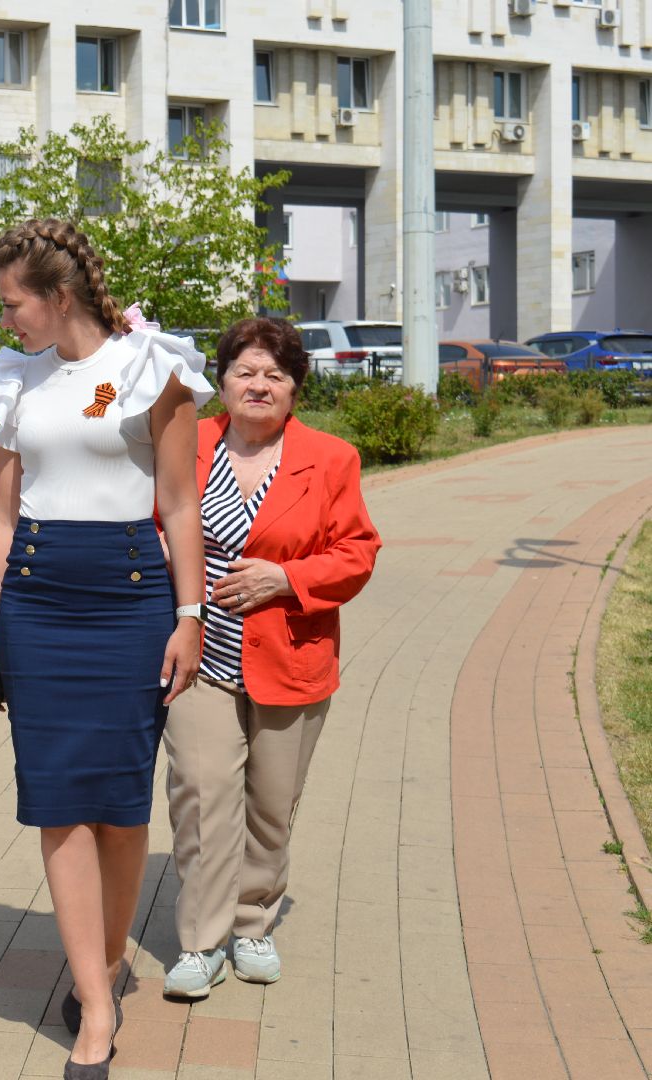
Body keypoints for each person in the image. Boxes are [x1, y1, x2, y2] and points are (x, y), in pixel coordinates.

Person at [0, 219, 212, 1079]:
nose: (7, 321)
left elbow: (179, 505)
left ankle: (104, 964)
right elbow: (2, 518)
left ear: (57, 296)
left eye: (13, 303)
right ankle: (97, 1008)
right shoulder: (14, 384)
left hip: (132, 601)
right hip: (37, 603)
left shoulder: (154, 370)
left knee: (120, 808)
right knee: (58, 804)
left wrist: (191, 616)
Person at [161, 317, 380, 998]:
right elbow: (147, 515)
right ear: (220, 382)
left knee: (270, 804)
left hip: (291, 654)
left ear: (295, 389)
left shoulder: (331, 458)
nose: (259, 385)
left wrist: (288, 578)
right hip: (200, 654)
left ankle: (253, 924)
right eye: (245, 372)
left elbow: (358, 551)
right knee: (202, 795)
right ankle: (200, 942)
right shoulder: (184, 443)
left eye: (275, 375)